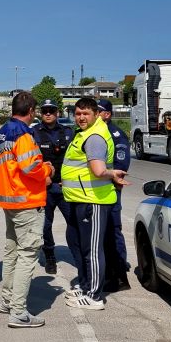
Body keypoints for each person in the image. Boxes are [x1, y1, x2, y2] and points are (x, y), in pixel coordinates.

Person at [61, 97, 130, 310]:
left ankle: (94, 296)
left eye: (86, 114)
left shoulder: (95, 137)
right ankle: (86, 286)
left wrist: (112, 174)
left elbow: (98, 170)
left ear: (96, 114)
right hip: (81, 198)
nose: (81, 117)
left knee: (92, 249)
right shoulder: (85, 133)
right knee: (82, 246)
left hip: (94, 200)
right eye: (78, 114)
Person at [0, 91, 53, 328]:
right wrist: (47, 171)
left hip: (9, 201)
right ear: (31, 111)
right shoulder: (24, 135)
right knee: (28, 255)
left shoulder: (1, 133)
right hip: (27, 201)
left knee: (11, 253)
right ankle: (18, 312)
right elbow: (30, 168)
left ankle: (7, 301)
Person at [31, 99, 75, 275]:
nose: (48, 113)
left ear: (57, 113)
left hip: (64, 187)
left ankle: (78, 254)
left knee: (74, 222)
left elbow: (75, 159)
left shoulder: (68, 132)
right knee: (45, 225)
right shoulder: (33, 132)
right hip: (45, 188)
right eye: (45, 110)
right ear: (41, 113)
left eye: (51, 110)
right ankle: (50, 256)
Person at [97, 98, 132, 291]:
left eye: (98, 111)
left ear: (107, 114)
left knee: (112, 230)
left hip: (110, 189)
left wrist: (115, 185)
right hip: (97, 191)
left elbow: (121, 165)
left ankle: (119, 273)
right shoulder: (95, 132)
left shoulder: (115, 134)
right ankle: (111, 269)